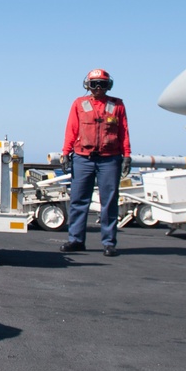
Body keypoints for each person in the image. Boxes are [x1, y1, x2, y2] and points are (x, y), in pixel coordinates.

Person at [60, 68, 132, 257]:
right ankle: (75, 240)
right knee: (78, 200)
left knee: (109, 201)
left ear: (109, 85)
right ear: (88, 85)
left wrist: (127, 156)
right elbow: (72, 129)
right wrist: (66, 153)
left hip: (110, 159)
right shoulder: (79, 104)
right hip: (83, 158)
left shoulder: (117, 105)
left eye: (102, 83)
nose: (98, 88)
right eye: (94, 84)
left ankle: (109, 242)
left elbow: (124, 132)